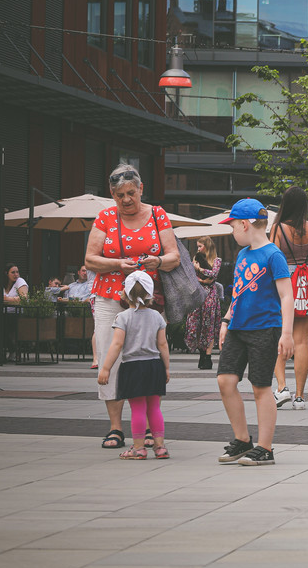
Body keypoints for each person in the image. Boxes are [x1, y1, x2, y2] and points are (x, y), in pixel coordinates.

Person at [85, 164, 180, 451]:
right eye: (119, 195)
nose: (126, 200)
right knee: (108, 357)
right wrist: (117, 264)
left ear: (141, 189)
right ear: (112, 195)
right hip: (110, 296)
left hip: (147, 300)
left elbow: (173, 255)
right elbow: (90, 259)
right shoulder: (104, 218)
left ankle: (149, 425)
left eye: (131, 193)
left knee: (147, 357)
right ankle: (116, 427)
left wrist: (158, 261)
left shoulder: (157, 214)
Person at [215, 198, 295, 466]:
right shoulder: (242, 254)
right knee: (225, 381)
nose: (232, 231)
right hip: (238, 327)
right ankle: (242, 440)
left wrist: (286, 334)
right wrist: (226, 321)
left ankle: (265, 448)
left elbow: (286, 296)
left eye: (233, 226)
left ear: (245, 224)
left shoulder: (274, 255)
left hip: (265, 328)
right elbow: (237, 292)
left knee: (261, 387)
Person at [97, 271, 170, 460]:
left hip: (133, 367)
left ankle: (138, 449)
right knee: (154, 408)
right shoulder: (157, 316)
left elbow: (117, 344)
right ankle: (160, 447)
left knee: (138, 408)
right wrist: (167, 368)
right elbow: (162, 344)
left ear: (124, 294)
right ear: (151, 294)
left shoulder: (123, 317)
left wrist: (105, 368)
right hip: (154, 366)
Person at [270, 186, 308, 410]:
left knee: (281, 334)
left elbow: (273, 258)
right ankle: (301, 396)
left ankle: (282, 388)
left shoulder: (278, 228)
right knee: (302, 340)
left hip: (285, 282)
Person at [186, 236, 223, 370]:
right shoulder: (196, 258)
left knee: (209, 325)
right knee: (197, 324)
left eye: (200, 246)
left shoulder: (217, 260)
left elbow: (213, 274)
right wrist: (203, 280)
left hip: (210, 296)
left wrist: (200, 270)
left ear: (207, 246)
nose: (198, 249)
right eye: (197, 246)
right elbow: (190, 274)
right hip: (198, 295)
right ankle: (201, 354)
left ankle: (207, 357)